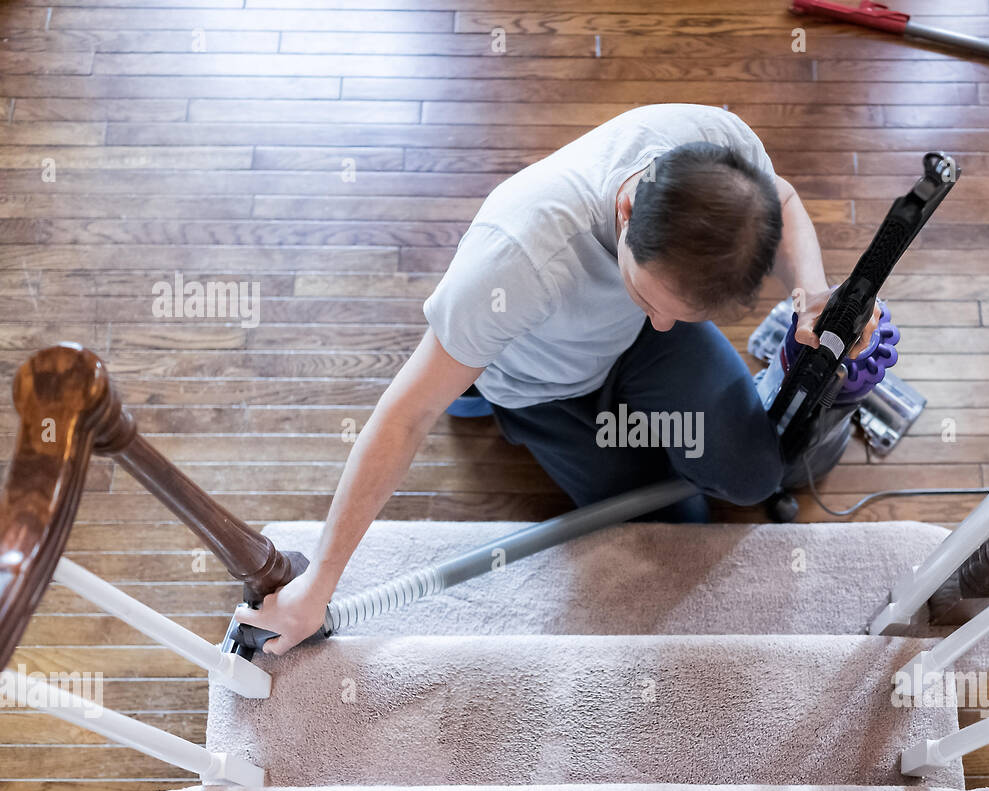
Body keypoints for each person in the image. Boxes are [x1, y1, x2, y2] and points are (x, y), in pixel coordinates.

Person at [235, 102, 879, 655]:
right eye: (648, 294)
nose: (661, 321)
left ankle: (552, 365)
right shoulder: (518, 259)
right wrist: (316, 586)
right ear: (627, 207)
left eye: (680, 311)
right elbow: (403, 418)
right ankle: (475, 387)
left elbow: (784, 196)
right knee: (679, 522)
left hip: (626, 352)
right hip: (544, 385)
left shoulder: (723, 153)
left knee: (752, 477)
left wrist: (813, 292)